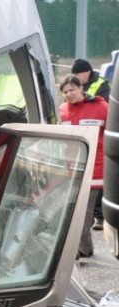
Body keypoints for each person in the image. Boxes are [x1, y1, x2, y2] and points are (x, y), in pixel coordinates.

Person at [59, 74, 108, 258]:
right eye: (65, 92)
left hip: (95, 167)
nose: (69, 94)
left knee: (85, 208)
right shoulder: (62, 110)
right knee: (74, 207)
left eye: (72, 90)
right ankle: (86, 247)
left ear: (81, 88)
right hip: (73, 167)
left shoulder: (101, 107)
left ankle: (79, 248)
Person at [71, 59, 111, 230]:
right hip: (85, 146)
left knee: (98, 187)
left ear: (86, 72)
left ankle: (101, 218)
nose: (76, 78)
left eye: (77, 75)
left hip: (99, 146)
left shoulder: (102, 86)